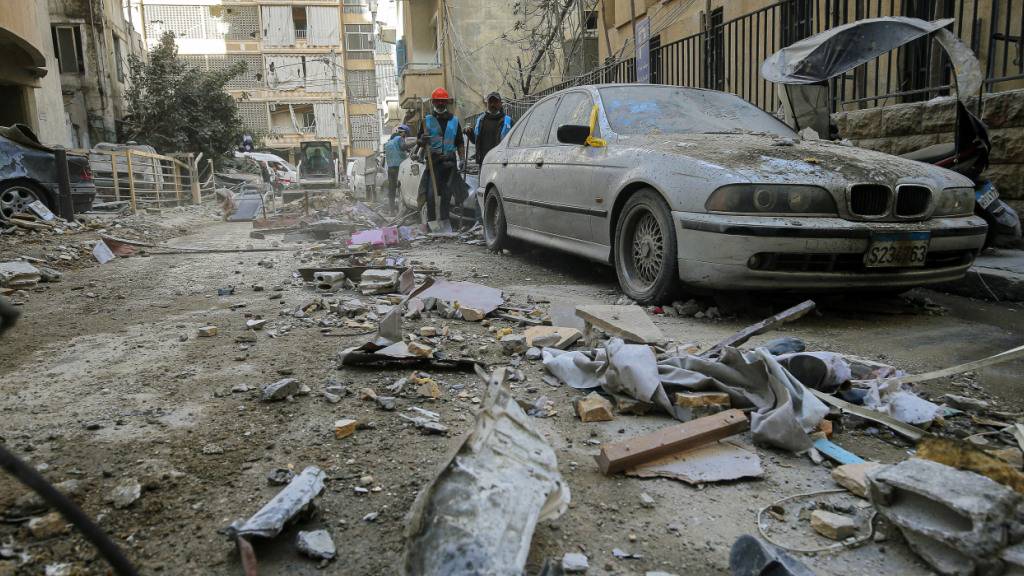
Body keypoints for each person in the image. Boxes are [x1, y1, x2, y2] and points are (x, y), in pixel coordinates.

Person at [416, 87, 466, 224]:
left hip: (449, 163)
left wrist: (462, 159)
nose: (440, 103)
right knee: (431, 195)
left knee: (446, 196)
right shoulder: (426, 120)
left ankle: (444, 222)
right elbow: (419, 141)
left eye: (442, 101)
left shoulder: (454, 121)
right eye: (437, 101)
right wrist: (422, 140)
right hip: (434, 163)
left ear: (446, 102)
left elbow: (459, 142)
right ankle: (432, 222)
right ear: (433, 102)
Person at [466, 92, 513, 164]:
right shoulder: (480, 120)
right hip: (484, 162)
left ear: (500, 103)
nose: (492, 104)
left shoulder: (508, 121)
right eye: (490, 102)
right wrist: (469, 133)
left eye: (495, 102)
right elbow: (476, 141)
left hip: (501, 162)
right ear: (487, 104)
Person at [383, 124, 412, 212]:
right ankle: (401, 210)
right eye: (406, 135)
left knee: (392, 190)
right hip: (399, 168)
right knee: (401, 189)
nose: (405, 137)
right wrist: (409, 148)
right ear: (404, 133)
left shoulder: (388, 143)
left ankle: (391, 210)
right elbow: (403, 146)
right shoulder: (399, 139)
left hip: (390, 168)